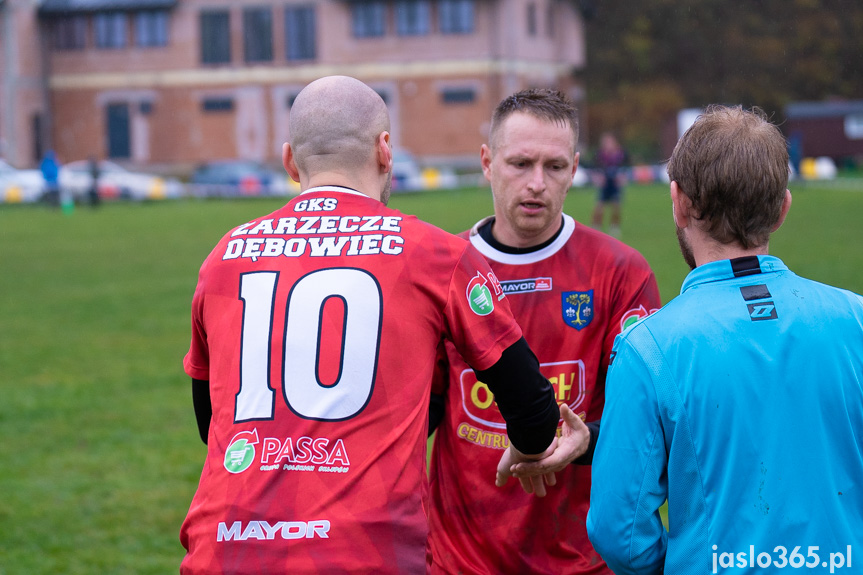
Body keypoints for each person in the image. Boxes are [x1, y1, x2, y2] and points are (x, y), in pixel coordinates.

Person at [180, 75, 562, 574]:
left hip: (227, 549)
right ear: (386, 151)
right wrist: (531, 448)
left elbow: (212, 424)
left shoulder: (225, 257)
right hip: (364, 554)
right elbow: (532, 408)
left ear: (291, 161)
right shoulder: (437, 254)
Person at [586, 105, 863, 574]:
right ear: (783, 209)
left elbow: (620, 530)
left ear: (678, 203)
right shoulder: (855, 320)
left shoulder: (648, 347)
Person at [427, 88, 661, 574]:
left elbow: (648, 419)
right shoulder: (440, 269)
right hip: (460, 558)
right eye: (520, 163)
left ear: (574, 169)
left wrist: (588, 441)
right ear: (488, 162)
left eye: (554, 167)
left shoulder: (619, 271)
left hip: (582, 558)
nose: (536, 183)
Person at [590, 132, 627, 238]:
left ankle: (614, 227)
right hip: (604, 184)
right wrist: (597, 177)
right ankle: (596, 227)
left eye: (609, 142)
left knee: (616, 207)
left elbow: (626, 166)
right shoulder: (600, 155)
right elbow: (593, 167)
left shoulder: (620, 154)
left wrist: (622, 177)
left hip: (615, 184)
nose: (607, 144)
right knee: (599, 207)